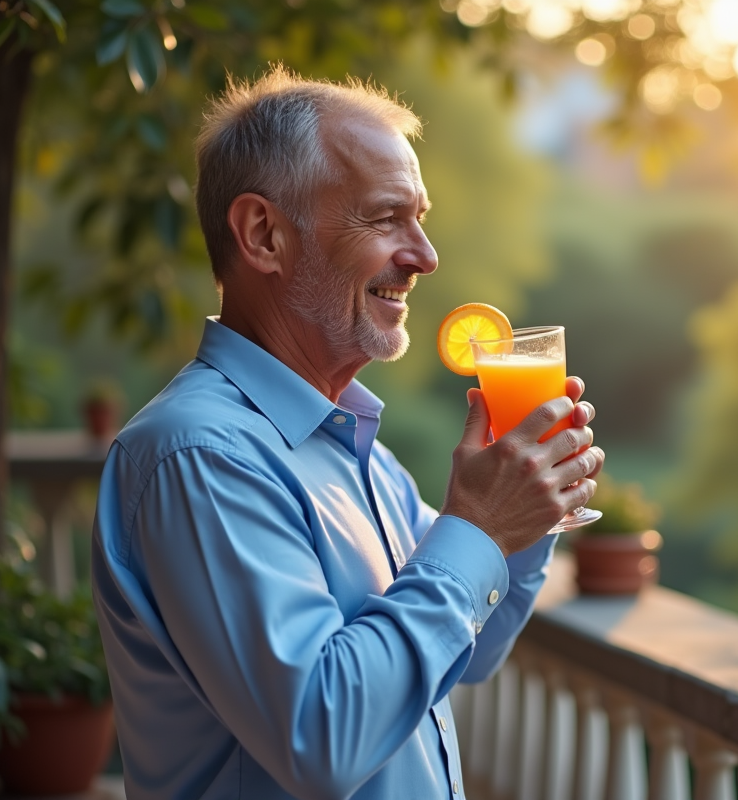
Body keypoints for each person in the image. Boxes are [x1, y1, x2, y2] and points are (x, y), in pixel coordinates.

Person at [91, 66, 604, 800]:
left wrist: (531, 508)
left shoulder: (361, 455)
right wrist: (479, 528)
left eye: (420, 218)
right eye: (387, 217)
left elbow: (473, 644)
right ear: (264, 234)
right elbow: (319, 737)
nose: (425, 256)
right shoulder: (199, 456)